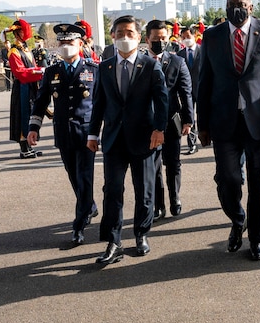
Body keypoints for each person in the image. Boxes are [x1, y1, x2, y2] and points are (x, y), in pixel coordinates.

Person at [197, 0, 260, 261]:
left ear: (250, 7)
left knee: (259, 181)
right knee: (228, 179)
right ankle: (237, 218)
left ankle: (256, 238)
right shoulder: (212, 37)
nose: (235, 8)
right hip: (224, 122)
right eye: (231, 4)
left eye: (240, 4)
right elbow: (204, 83)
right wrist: (202, 124)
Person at [86, 15, 168, 264]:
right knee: (112, 190)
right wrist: (92, 133)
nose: (124, 37)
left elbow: (162, 100)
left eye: (129, 33)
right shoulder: (105, 67)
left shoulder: (150, 65)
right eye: (120, 33)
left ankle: (141, 234)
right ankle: (113, 241)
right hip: (113, 139)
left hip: (144, 139)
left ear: (139, 37)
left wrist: (159, 129)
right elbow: (98, 103)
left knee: (144, 190)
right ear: (112, 36)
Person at [27, 23, 99, 244]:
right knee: (73, 176)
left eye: (70, 42)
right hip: (63, 133)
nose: (66, 45)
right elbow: (41, 102)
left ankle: (79, 224)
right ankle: (89, 206)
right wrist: (33, 127)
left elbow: (103, 102)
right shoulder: (52, 72)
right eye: (62, 42)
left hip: (87, 133)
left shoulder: (93, 69)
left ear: (80, 43)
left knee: (84, 177)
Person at [145, 20, 193, 220]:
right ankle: (159, 205)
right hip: (148, 123)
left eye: (163, 38)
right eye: (155, 39)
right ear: (147, 39)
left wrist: (188, 120)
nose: (160, 41)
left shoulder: (177, 62)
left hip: (172, 121)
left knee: (173, 163)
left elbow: (186, 92)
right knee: (153, 166)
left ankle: (175, 198)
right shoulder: (140, 62)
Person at [4, 20, 45, 159]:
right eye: (21, 31)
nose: (24, 33)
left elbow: (32, 65)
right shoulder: (14, 51)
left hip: (31, 85)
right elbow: (20, 72)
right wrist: (38, 72)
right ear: (16, 33)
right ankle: (23, 148)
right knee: (23, 115)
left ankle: (28, 145)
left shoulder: (26, 50)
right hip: (23, 87)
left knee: (31, 114)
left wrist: (38, 71)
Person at [177, 25, 201, 155]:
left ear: (194, 36)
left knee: (203, 116)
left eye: (188, 36)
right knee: (189, 117)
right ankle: (192, 144)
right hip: (187, 92)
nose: (186, 39)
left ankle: (207, 137)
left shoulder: (203, 51)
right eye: (183, 37)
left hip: (202, 89)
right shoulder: (180, 55)